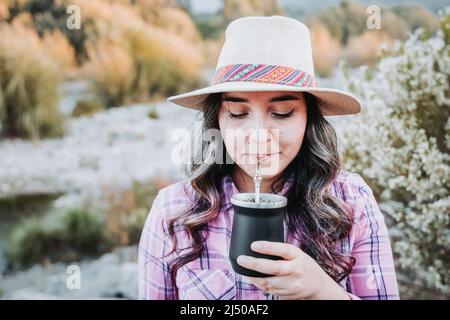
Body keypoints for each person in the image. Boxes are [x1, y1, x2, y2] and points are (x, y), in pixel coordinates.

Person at [138, 15, 400, 300]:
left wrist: (323, 291)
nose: (260, 134)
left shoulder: (351, 200)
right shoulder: (174, 211)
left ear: (309, 118)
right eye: (238, 114)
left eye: (282, 113)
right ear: (217, 120)